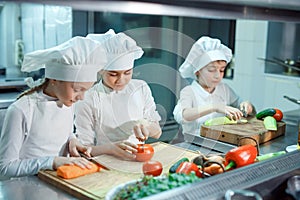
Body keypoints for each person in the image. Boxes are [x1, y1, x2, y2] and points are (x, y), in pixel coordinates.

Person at [0, 36, 107, 179]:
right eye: (77, 89)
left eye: (85, 90)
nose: (81, 97)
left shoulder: (67, 101)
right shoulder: (22, 110)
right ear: (55, 79)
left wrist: (72, 140)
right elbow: (5, 169)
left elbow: (63, 132)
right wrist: (52, 162)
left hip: (61, 182)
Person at [74, 29, 162, 160]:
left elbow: (158, 133)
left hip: (138, 160)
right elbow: (84, 149)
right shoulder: (88, 98)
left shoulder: (140, 88)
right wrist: (111, 148)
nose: (121, 80)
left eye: (127, 73)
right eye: (113, 74)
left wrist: (147, 128)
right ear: (101, 70)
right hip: (105, 163)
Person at [173, 36, 255, 136]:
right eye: (211, 70)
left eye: (222, 70)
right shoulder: (189, 92)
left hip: (222, 141)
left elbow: (239, 103)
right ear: (197, 71)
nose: (217, 75)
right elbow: (183, 116)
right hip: (194, 144)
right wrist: (215, 107)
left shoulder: (224, 89)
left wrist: (246, 105)